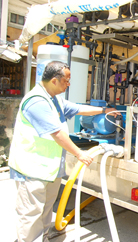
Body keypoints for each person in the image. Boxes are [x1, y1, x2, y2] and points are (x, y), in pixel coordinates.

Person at [8, 61, 120, 242]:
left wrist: (105, 110)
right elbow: (57, 134)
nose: (69, 84)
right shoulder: (37, 101)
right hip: (31, 169)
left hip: (48, 169)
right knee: (30, 215)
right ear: (54, 80)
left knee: (45, 211)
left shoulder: (55, 99)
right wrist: (79, 153)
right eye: (66, 81)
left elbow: (78, 109)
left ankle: (42, 237)